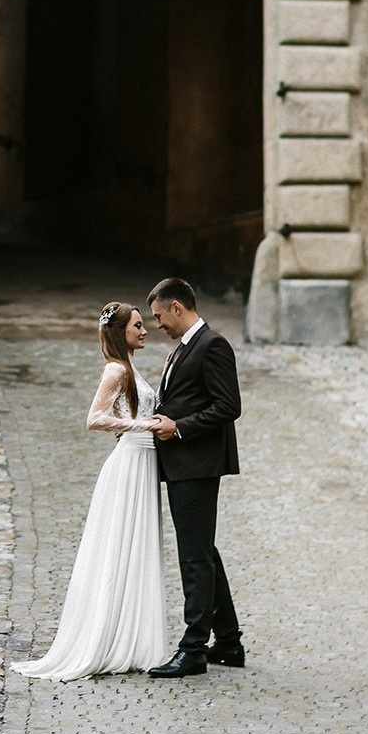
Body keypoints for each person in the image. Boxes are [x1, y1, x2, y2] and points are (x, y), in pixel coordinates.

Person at [13, 302, 176, 681]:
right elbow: (94, 418)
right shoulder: (117, 370)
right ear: (122, 332)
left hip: (144, 463)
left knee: (138, 548)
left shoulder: (130, 367)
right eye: (138, 325)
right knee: (119, 547)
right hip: (130, 462)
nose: (145, 330)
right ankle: (107, 637)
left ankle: (135, 640)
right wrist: (142, 426)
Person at [145, 276, 244, 678]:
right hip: (185, 463)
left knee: (194, 555)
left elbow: (228, 406)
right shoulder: (184, 349)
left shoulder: (212, 345)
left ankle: (193, 649)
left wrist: (179, 428)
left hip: (198, 463)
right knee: (204, 550)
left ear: (177, 308)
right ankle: (229, 642)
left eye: (158, 317)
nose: (157, 326)